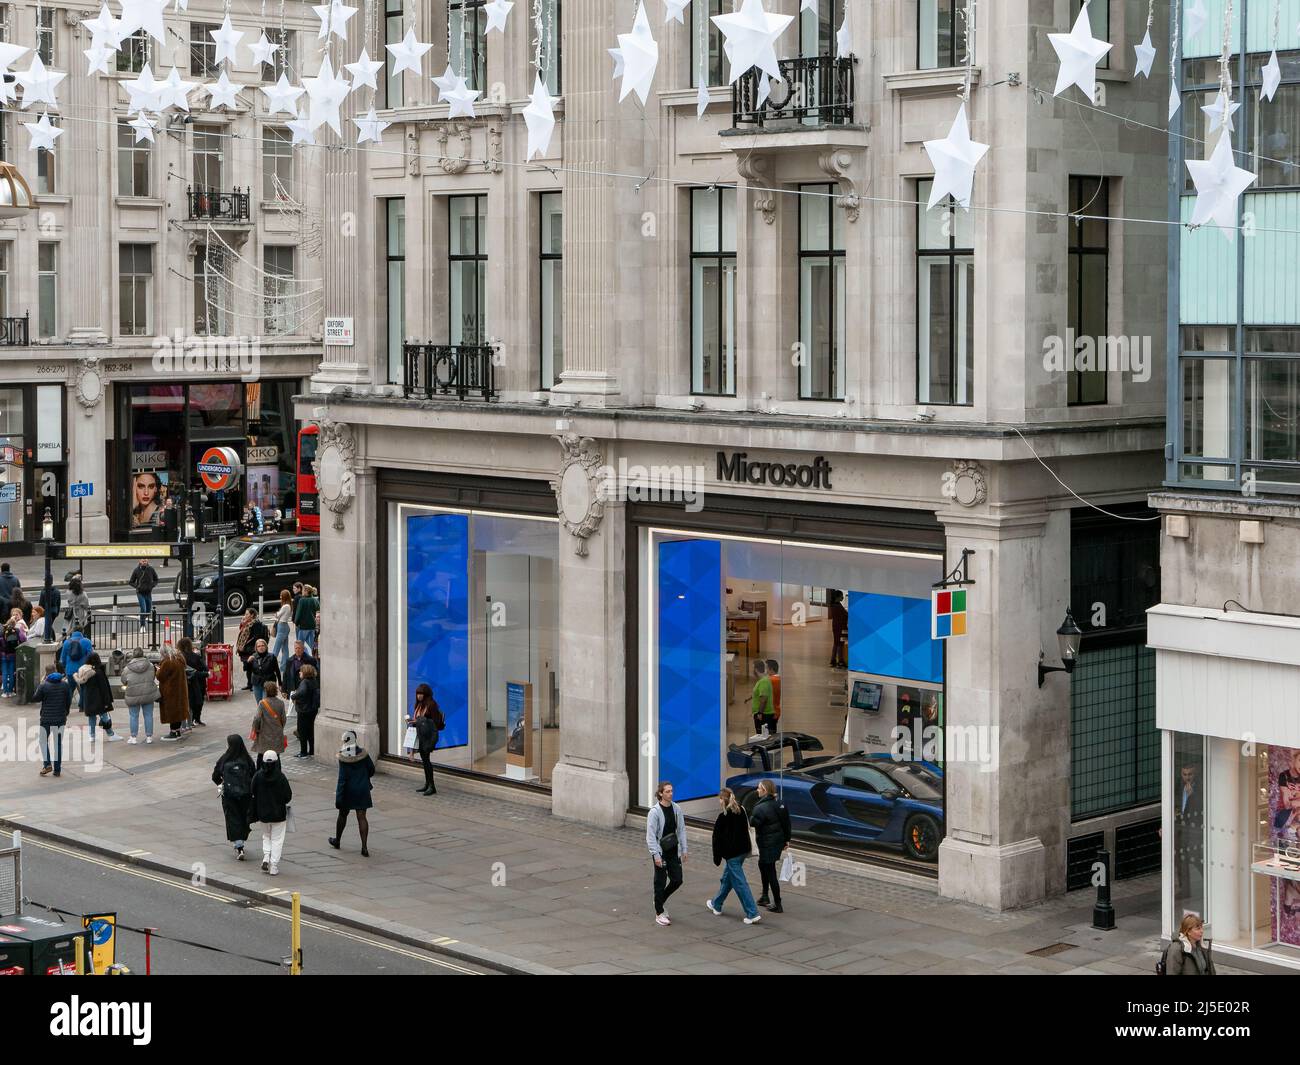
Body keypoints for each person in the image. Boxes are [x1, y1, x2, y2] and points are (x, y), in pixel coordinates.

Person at [707, 787, 762, 924]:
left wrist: (717, 858)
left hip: (732, 855)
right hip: (743, 851)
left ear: (722, 800)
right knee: (728, 878)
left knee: (740, 883)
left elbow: (716, 840)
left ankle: (752, 913)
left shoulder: (722, 817)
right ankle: (716, 904)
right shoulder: (741, 810)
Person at [646, 780, 687, 927]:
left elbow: (681, 830)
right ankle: (659, 912)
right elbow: (650, 836)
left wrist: (684, 849)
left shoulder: (677, 809)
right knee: (660, 881)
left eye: (671, 791)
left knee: (677, 879)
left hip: (673, 851)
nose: (670, 793)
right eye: (667, 791)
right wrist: (656, 855)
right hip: (660, 852)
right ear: (661, 794)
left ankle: (659, 900)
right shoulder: (655, 812)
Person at [329, 730, 376, 856]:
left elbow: (342, 778)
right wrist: (364, 778)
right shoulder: (363, 754)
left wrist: (339, 797)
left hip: (348, 790)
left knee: (343, 815)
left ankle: (337, 840)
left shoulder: (343, 756)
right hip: (362, 789)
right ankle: (364, 847)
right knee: (362, 817)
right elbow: (371, 769)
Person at [750, 779, 792, 913]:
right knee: (764, 865)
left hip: (767, 843)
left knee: (770, 870)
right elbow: (787, 823)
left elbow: (754, 823)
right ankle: (764, 896)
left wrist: (751, 814)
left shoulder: (760, 807)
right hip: (777, 842)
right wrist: (787, 840)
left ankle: (777, 903)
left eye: (758, 788)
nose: (757, 790)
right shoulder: (780, 804)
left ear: (765, 791)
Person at [212, 735, 256, 861]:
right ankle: (242, 838)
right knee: (243, 817)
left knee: (232, 818)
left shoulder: (224, 759)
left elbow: (215, 776)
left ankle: (239, 845)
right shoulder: (247, 759)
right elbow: (254, 775)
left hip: (229, 795)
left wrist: (222, 784)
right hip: (245, 794)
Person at [250, 750, 292, 875]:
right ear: (276, 762)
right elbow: (288, 796)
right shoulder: (281, 777)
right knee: (277, 840)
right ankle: (273, 866)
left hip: (263, 813)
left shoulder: (258, 776)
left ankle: (266, 857)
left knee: (266, 836)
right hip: (278, 814)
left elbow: (252, 791)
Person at [75, 652, 120, 743]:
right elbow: (104, 688)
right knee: (104, 717)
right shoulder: (98, 672)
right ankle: (110, 734)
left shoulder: (83, 671)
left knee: (91, 717)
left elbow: (82, 687)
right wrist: (107, 701)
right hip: (99, 699)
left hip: (88, 698)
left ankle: (92, 736)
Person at [35, 665, 71, 777]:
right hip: (60, 719)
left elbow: (35, 698)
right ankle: (57, 770)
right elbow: (68, 701)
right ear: (56, 671)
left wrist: (39, 686)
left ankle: (47, 764)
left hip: (46, 719)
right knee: (57, 744)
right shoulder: (65, 685)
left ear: (46, 673)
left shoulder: (44, 685)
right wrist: (65, 713)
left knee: (43, 741)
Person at [120, 647, 159, 743]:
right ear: (143, 654)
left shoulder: (127, 668)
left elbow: (123, 680)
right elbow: (153, 676)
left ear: (133, 655)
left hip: (133, 694)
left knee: (133, 716)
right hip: (148, 693)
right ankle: (149, 737)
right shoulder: (150, 665)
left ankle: (133, 737)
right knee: (148, 715)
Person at [156, 644, 190, 741]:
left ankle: (173, 732)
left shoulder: (168, 662)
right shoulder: (179, 659)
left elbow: (160, 676)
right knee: (178, 711)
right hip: (180, 689)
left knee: (172, 711)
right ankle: (178, 731)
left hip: (170, 691)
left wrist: (158, 670)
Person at [412, 683, 441, 795]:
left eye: (421, 694)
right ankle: (427, 783)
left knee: (427, 761)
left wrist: (420, 721)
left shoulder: (431, 705)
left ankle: (432, 786)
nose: (419, 696)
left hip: (429, 737)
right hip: (421, 736)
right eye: (418, 693)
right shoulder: (419, 705)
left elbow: (435, 723)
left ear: (426, 694)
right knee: (424, 761)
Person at [177, 636, 209, 727]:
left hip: (187, 682)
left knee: (189, 703)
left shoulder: (180, 657)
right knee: (199, 701)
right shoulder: (196, 656)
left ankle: (189, 722)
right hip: (199, 681)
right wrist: (206, 673)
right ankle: (197, 719)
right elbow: (205, 667)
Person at [250, 680, 287, 756]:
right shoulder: (281, 703)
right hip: (277, 733)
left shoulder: (262, 703)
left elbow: (257, 718)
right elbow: (284, 719)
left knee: (262, 755)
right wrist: (280, 727)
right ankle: (276, 767)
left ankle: (261, 768)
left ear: (266, 691)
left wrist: (255, 729)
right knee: (276, 755)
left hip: (264, 733)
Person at [236, 609, 269, 691]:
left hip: (251, 649)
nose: (245, 615)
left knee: (253, 668)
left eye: (247, 614)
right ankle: (249, 684)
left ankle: (254, 685)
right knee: (248, 667)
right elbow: (241, 632)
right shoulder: (247, 623)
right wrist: (243, 623)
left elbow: (256, 637)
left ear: (252, 615)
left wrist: (245, 645)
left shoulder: (256, 624)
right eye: (245, 614)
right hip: (245, 650)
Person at [59, 629, 93, 709]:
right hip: (83, 670)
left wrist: (65, 667)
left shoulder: (67, 642)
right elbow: (90, 656)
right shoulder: (87, 641)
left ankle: (66, 707)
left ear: (72, 632)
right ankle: (82, 706)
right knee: (84, 688)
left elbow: (62, 658)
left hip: (70, 669)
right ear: (82, 631)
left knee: (70, 688)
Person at [291, 664, 319, 758]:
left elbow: (302, 692)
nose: (299, 673)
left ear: (305, 673)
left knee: (302, 731)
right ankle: (312, 751)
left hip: (304, 710)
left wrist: (293, 696)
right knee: (311, 731)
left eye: (301, 671)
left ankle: (303, 752)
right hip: (313, 709)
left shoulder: (304, 682)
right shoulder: (314, 681)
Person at [128, 558, 159, 631]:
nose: (144, 562)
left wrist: (152, 585)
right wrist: (137, 586)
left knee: (148, 610)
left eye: (145, 560)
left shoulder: (151, 569)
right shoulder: (136, 570)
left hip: (148, 592)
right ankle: (142, 626)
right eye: (143, 560)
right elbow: (131, 582)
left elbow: (156, 579)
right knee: (143, 609)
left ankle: (142, 618)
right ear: (140, 561)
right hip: (140, 593)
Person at [247, 637, 281, 705]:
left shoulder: (272, 657)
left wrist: (280, 684)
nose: (261, 647)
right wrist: (248, 662)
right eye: (259, 646)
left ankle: (266, 715)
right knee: (259, 704)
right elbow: (248, 670)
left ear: (266, 646)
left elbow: (277, 671)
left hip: (268, 683)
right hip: (257, 683)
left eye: (263, 645)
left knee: (266, 704)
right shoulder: (253, 657)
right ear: (256, 648)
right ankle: (261, 715)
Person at [1, 607, 25, 697]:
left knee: (4, 672)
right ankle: (11, 692)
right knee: (11, 672)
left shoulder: (3, 630)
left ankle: (5, 692)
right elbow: (23, 639)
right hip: (13, 653)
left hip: (3, 654)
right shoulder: (17, 630)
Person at [750, 660, 775, 737]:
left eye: (752, 668)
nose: (752, 671)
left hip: (764, 716)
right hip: (763, 714)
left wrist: (760, 713)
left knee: (762, 738)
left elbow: (763, 699)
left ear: (756, 669)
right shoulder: (762, 680)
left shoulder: (763, 681)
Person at [270, 590, 292, 674]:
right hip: (284, 626)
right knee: (285, 648)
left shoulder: (285, 606)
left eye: (281, 595)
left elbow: (277, 615)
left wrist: (277, 613)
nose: (280, 597)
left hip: (282, 627)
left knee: (277, 647)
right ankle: (284, 667)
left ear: (284, 596)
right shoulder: (288, 605)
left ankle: (271, 665)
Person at [294, 584, 319, 654]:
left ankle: (305, 658)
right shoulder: (315, 600)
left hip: (304, 626)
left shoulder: (302, 600)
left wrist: (296, 622)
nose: (302, 592)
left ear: (305, 591)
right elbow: (318, 610)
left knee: (300, 644)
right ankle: (316, 655)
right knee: (312, 643)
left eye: (303, 590)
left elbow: (298, 613)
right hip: (313, 625)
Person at [829, 589, 848, 668]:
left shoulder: (833, 605)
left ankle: (833, 660)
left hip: (836, 626)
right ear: (837, 597)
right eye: (841, 596)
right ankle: (840, 660)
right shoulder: (838, 606)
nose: (843, 597)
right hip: (841, 627)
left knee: (836, 643)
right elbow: (845, 615)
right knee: (841, 644)